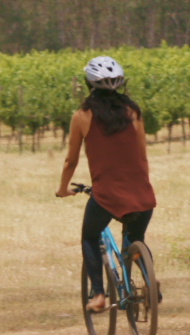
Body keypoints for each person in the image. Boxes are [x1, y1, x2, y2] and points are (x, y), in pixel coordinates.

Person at [55, 56, 157, 313]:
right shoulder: (133, 113)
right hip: (142, 195)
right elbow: (143, 156)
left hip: (107, 196)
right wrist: (141, 187)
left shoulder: (81, 116)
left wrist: (62, 189)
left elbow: (71, 160)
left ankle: (99, 295)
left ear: (88, 85)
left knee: (89, 237)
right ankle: (149, 281)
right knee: (136, 237)